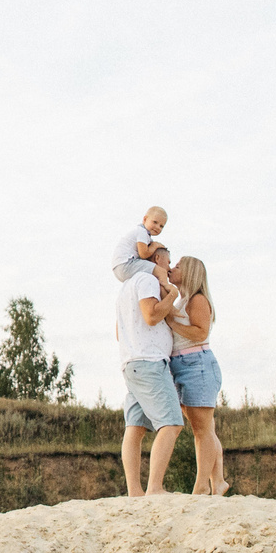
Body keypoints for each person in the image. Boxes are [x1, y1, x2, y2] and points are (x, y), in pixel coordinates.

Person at [114, 257, 184, 496]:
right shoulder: (147, 280)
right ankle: (155, 487)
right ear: (156, 259)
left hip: (132, 363)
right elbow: (151, 316)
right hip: (149, 362)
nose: (169, 267)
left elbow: (119, 333)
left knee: (135, 427)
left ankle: (134, 491)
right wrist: (172, 296)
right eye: (168, 260)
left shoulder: (126, 288)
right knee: (171, 423)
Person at [165, 256, 228, 496]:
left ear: (190, 272)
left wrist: (172, 323)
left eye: (178, 266)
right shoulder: (182, 301)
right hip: (183, 365)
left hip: (196, 365)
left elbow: (200, 333)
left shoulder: (197, 299)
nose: (172, 268)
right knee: (204, 428)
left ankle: (202, 486)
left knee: (202, 430)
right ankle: (218, 481)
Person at [110, 205, 175, 292]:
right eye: (155, 222)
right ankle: (168, 290)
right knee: (161, 272)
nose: (157, 227)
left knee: (151, 273)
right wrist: (155, 245)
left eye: (161, 226)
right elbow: (143, 254)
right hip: (126, 264)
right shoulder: (142, 232)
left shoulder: (145, 235)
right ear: (145, 219)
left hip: (119, 268)